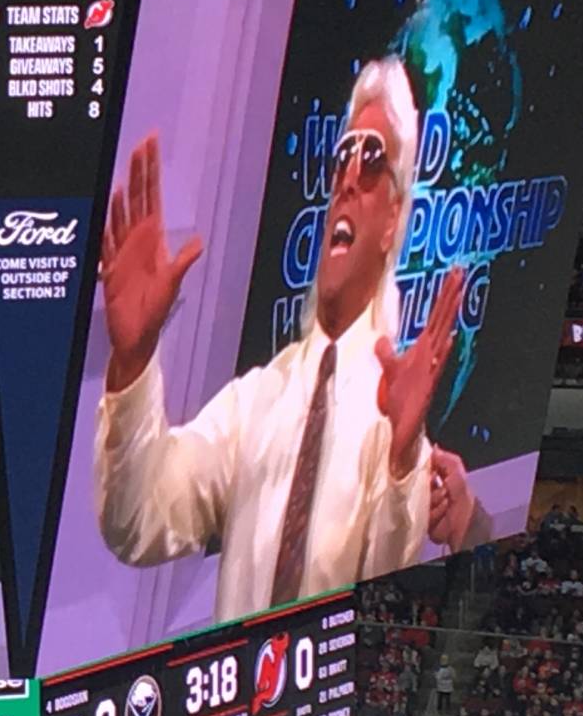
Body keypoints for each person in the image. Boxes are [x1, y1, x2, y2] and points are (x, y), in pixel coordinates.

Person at [93, 57, 475, 621]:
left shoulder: (393, 426)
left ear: (394, 217)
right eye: (343, 157)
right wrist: (132, 361)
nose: (347, 178)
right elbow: (136, 522)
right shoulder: (256, 401)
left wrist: (400, 458)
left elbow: (384, 605)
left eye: (372, 160)